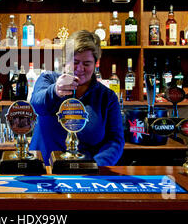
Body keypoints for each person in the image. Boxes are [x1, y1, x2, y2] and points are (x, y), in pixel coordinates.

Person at [29, 30, 124, 166]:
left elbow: (115, 140)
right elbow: (36, 105)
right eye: (75, 62)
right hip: (44, 173)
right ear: (65, 61)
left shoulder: (107, 97)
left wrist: (96, 166)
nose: (80, 68)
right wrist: (55, 91)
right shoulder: (48, 79)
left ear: (96, 64)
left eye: (87, 63)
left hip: (85, 175)